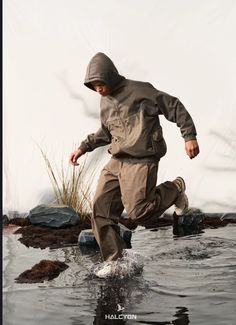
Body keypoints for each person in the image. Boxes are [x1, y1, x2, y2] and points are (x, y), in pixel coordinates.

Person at [69, 52, 200, 276]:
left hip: (141, 159)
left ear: (110, 76)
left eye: (100, 83)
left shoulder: (141, 91)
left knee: (138, 212)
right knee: (101, 209)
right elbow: (106, 131)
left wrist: (189, 136)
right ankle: (115, 261)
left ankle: (175, 188)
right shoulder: (105, 100)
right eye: (94, 86)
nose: (98, 89)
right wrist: (83, 147)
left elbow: (174, 106)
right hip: (117, 159)